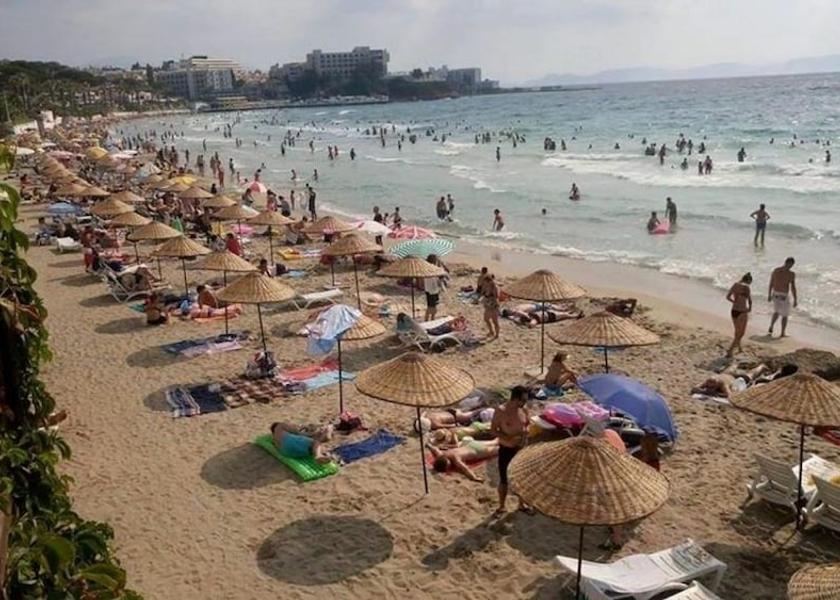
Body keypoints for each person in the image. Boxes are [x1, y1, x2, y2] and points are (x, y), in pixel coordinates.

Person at [491, 386, 530, 516]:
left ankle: (521, 504)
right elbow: (493, 430)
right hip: (506, 449)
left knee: (522, 478)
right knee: (504, 480)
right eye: (523, 399)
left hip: (521, 448)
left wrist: (524, 435)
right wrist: (508, 437)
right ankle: (501, 506)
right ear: (515, 399)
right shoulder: (501, 411)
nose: (525, 402)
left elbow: (526, 424)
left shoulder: (523, 409)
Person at [428, 438, 500, 482]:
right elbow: (435, 449)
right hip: (472, 444)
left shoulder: (455, 458)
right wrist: (429, 445)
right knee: (496, 441)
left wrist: (474, 477)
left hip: (478, 451)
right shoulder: (442, 454)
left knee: (501, 449)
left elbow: (465, 468)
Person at [768, 257, 798, 337]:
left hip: (776, 294)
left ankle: (771, 326)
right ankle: (782, 332)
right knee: (785, 315)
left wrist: (769, 294)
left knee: (777, 312)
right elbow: (793, 287)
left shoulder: (776, 270)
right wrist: (795, 299)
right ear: (788, 263)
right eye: (791, 264)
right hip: (783, 295)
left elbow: (771, 283)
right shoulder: (791, 274)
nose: (791, 266)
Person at [725, 273, 753, 357]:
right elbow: (750, 300)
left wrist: (734, 302)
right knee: (741, 333)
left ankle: (739, 347)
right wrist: (750, 308)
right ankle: (730, 351)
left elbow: (728, 297)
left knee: (737, 331)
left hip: (734, 310)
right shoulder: (746, 287)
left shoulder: (735, 285)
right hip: (742, 311)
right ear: (748, 281)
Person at [480, 273, 500, 339]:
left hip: (493, 306)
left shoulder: (494, 287)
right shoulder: (487, 286)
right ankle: (491, 331)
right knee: (486, 319)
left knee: (495, 321)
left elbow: (496, 296)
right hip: (488, 306)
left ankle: (497, 334)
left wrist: (488, 296)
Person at [423, 254, 442, 321]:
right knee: (432, 307)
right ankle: (429, 319)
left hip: (430, 289)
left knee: (432, 306)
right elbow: (435, 280)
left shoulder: (427, 268)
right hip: (432, 290)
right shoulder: (432, 269)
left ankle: (430, 319)